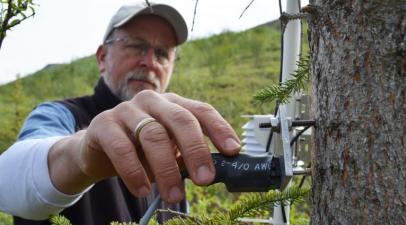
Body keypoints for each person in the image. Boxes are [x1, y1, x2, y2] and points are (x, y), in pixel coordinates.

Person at [0, 3, 241, 225]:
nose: (150, 62)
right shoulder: (59, 115)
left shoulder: (173, 140)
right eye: (137, 46)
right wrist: (80, 155)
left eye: (162, 53)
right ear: (102, 57)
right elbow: (10, 178)